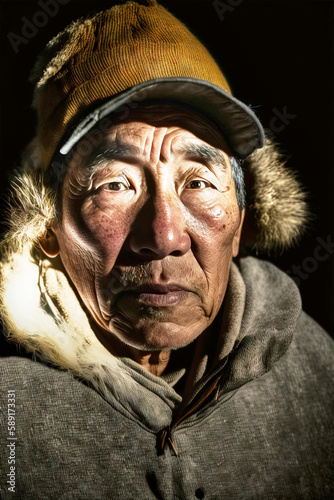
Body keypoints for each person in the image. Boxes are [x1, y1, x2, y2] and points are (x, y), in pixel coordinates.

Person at [0, 1, 333, 498]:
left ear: (241, 221)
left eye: (198, 182)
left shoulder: (315, 367)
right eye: (115, 184)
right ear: (46, 226)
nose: (165, 236)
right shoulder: (9, 400)